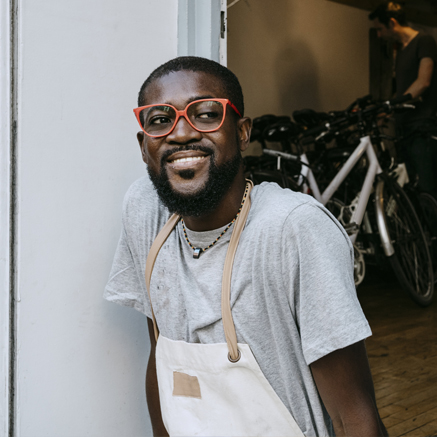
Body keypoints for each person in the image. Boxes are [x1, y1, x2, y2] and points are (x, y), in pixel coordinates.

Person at [104, 56, 387, 436]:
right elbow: (162, 356)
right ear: (144, 145)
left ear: (242, 132)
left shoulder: (292, 229)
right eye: (160, 119)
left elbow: (354, 417)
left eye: (206, 115)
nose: (181, 132)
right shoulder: (146, 210)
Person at [370, 1, 437, 198]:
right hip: (404, 128)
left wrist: (393, 105)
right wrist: (384, 110)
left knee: (428, 188)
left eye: (380, 29)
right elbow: (402, 91)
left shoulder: (424, 41)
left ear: (392, 23)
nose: (380, 35)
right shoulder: (400, 52)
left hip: (422, 127)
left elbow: (423, 82)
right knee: (411, 188)